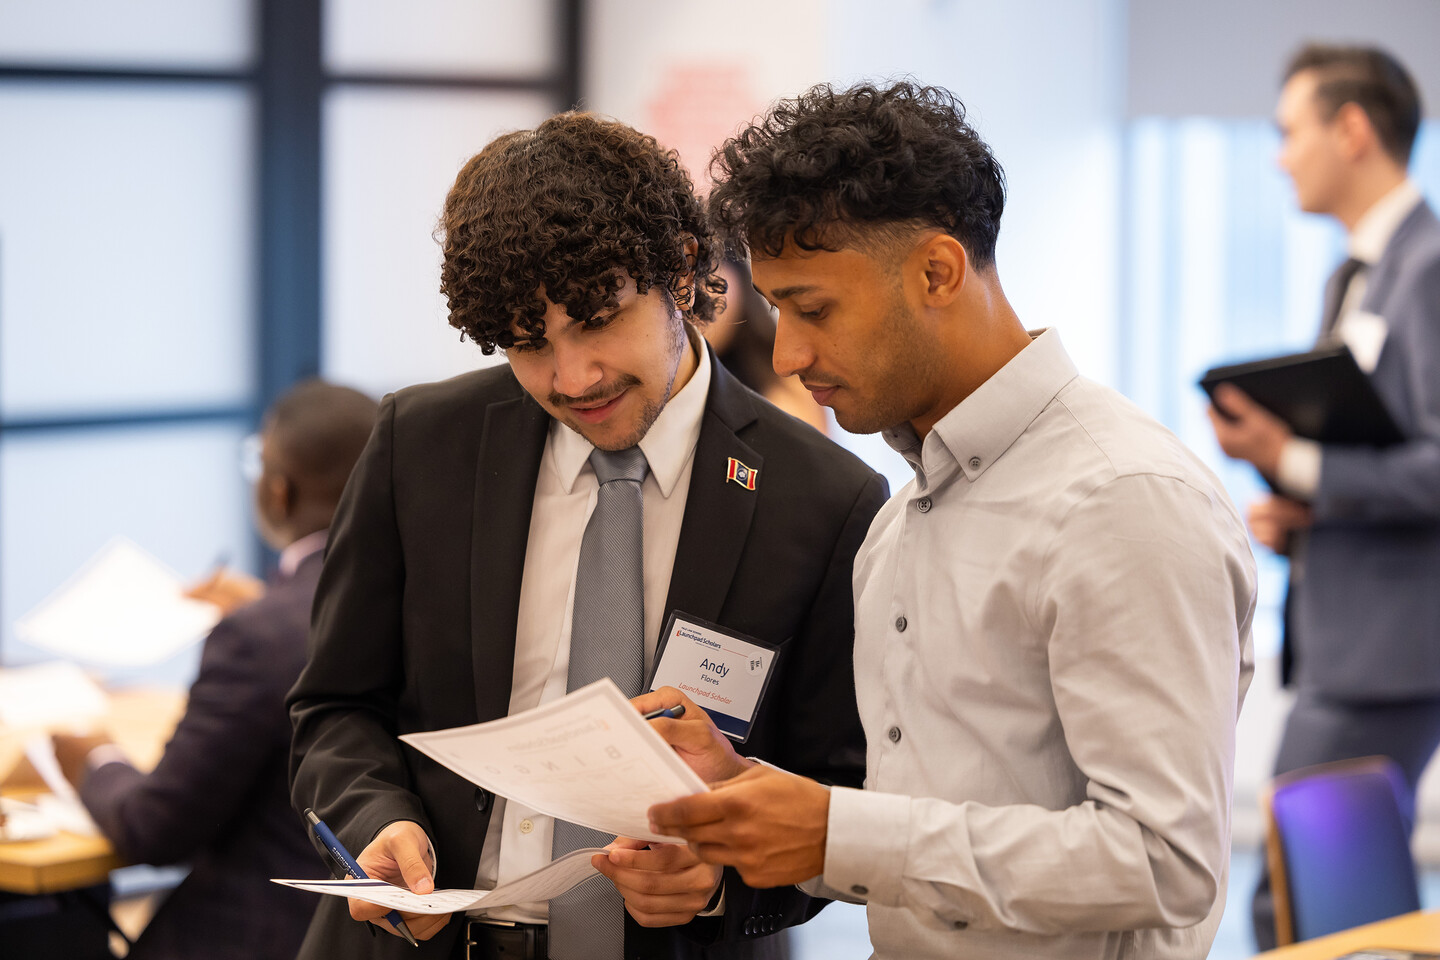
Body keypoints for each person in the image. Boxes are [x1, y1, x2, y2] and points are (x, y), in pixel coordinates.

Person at [642, 81, 1257, 959]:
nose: (787, 355)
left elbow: (1166, 861)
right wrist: (754, 801)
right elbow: (940, 821)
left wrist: (834, 835)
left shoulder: (1123, 498)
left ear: (936, 271)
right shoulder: (899, 524)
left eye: (814, 308)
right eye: (777, 310)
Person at [287, 112, 886, 960]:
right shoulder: (422, 445)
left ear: (682, 272)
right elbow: (335, 706)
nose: (573, 379)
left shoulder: (823, 499)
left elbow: (841, 791)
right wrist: (378, 821)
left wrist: (724, 881)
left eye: (598, 320)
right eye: (530, 346)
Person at [1205, 44, 1440, 950]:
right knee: (1335, 898)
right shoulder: (1359, 274)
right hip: (1354, 635)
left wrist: (1292, 459)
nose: (1278, 155)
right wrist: (1305, 514)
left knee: (1303, 898)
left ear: (1352, 130)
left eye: (1289, 131)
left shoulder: (1425, 269)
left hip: (1391, 650)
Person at [46, 379, 378, 960]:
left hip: (265, 934)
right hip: (389, 931)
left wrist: (95, 758)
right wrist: (266, 611)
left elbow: (156, 827)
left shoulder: (258, 639)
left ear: (278, 492)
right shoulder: (427, 596)